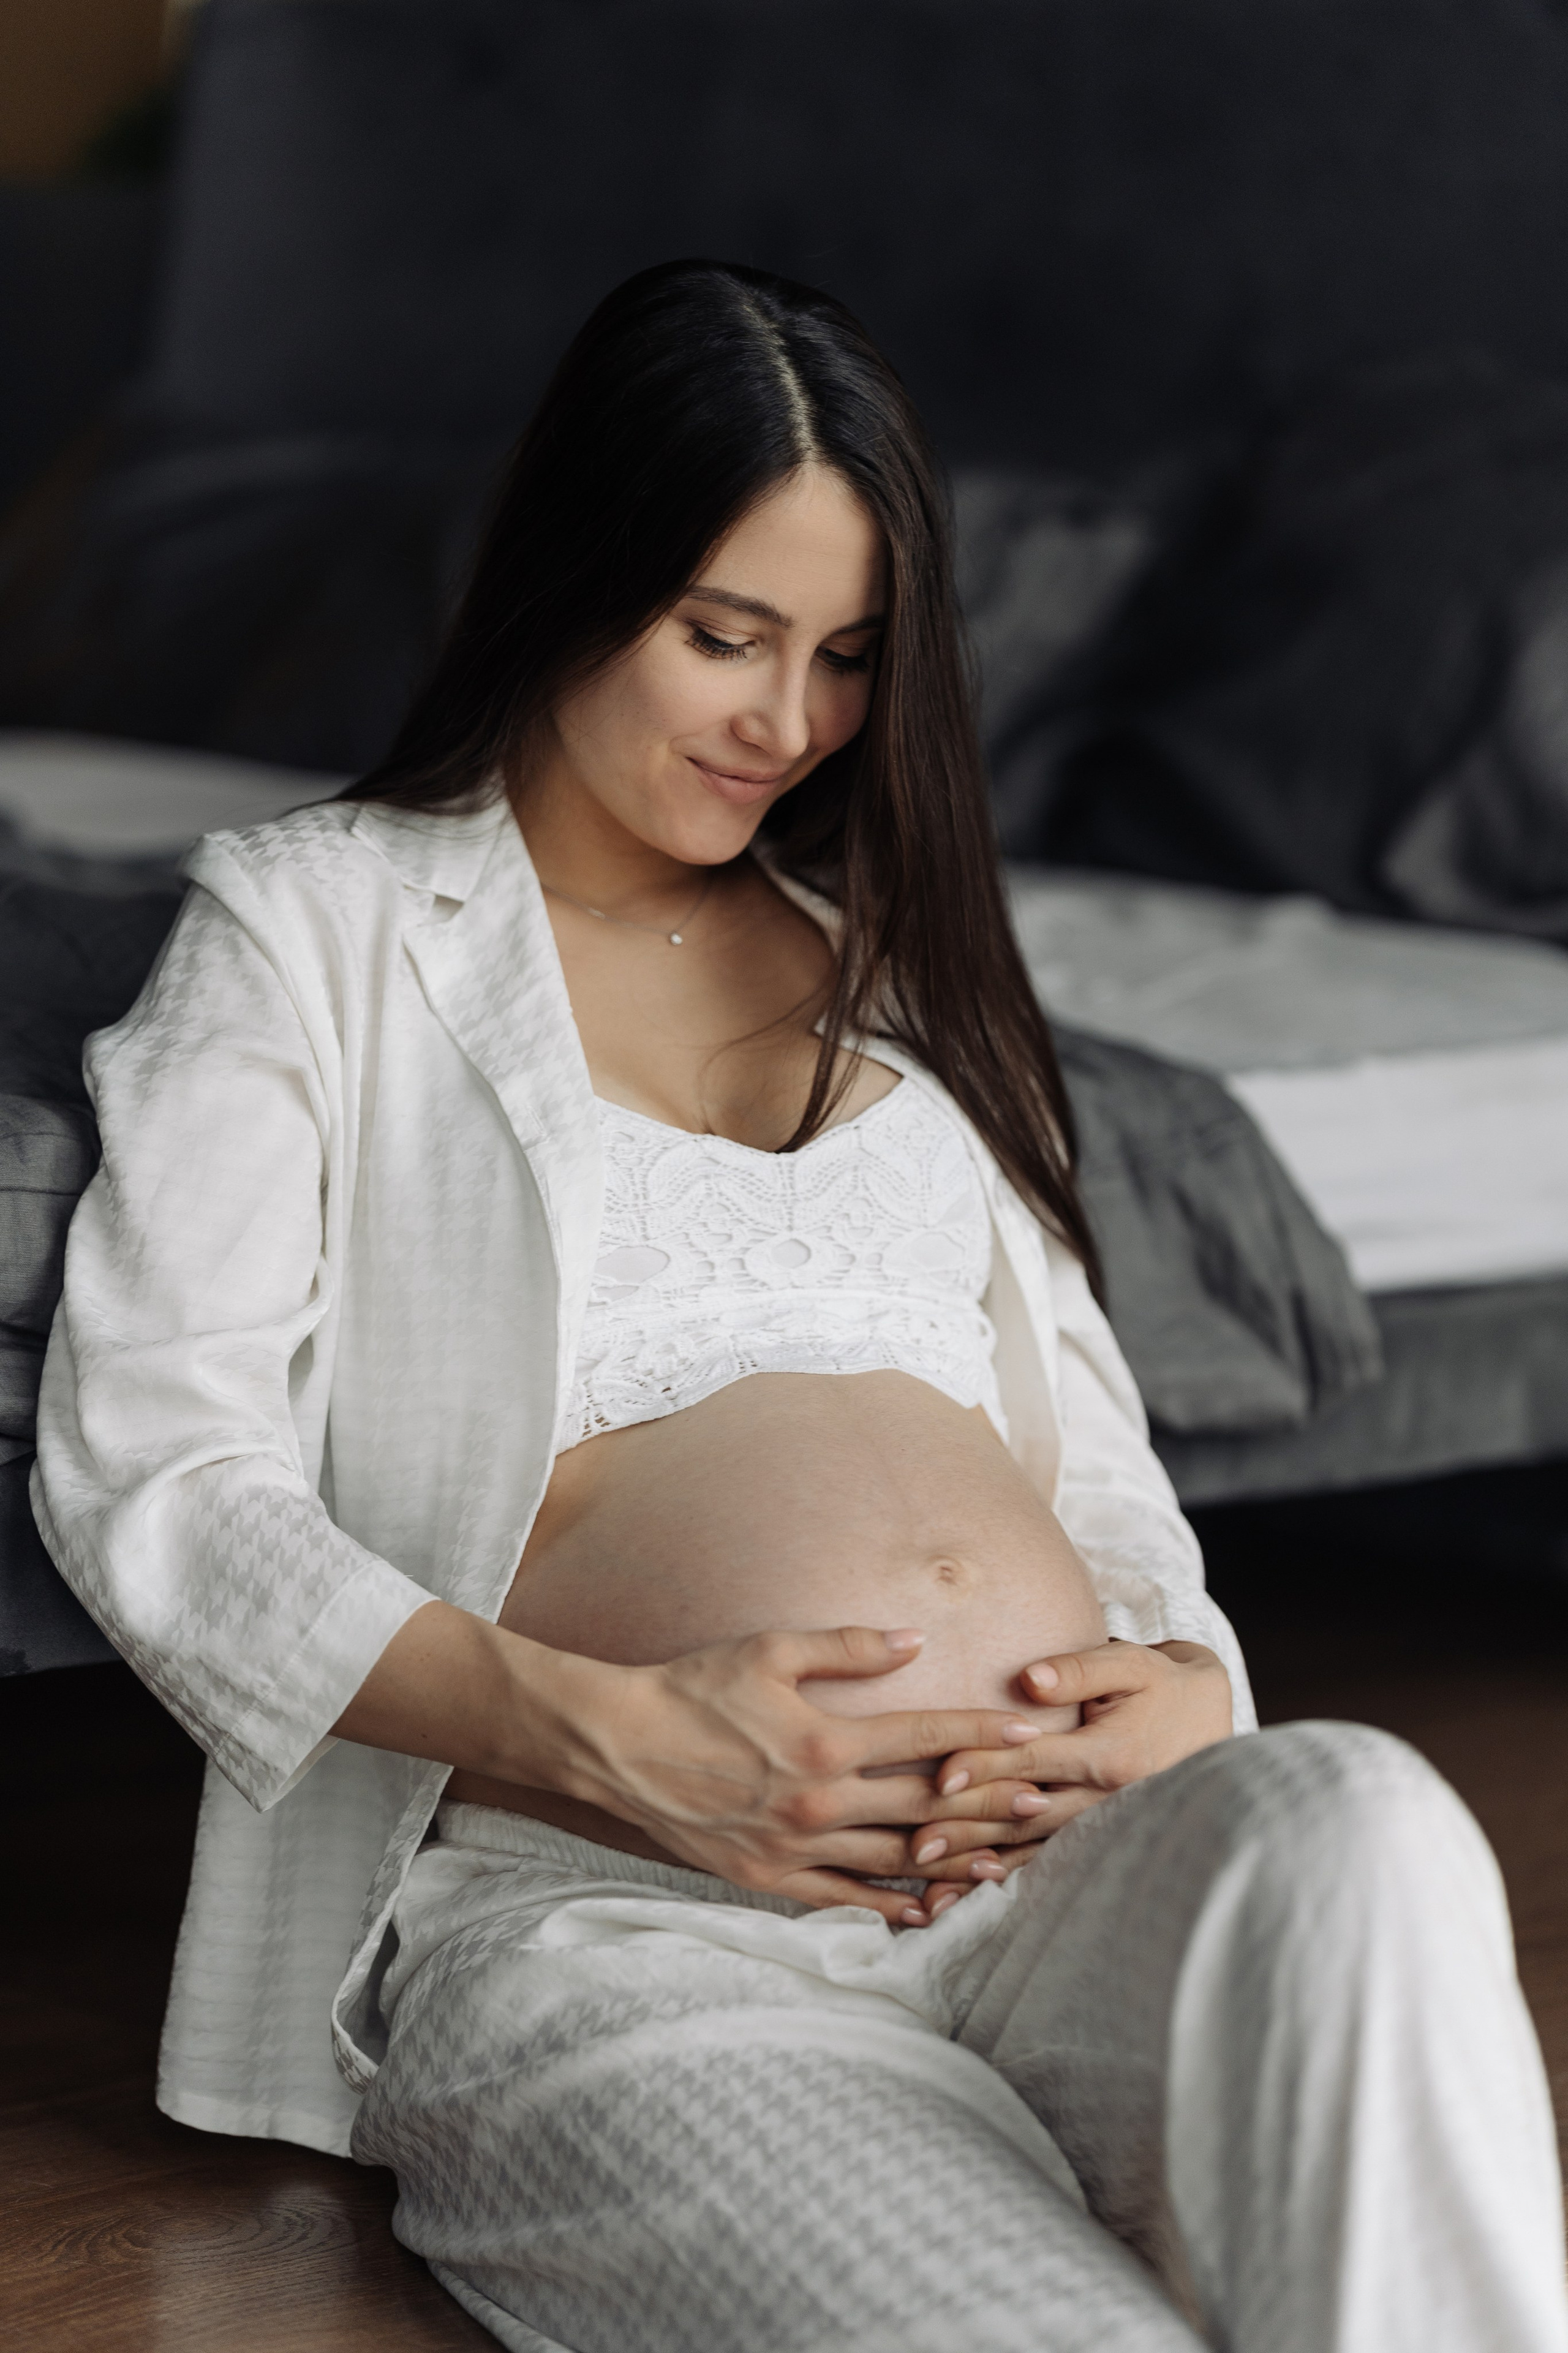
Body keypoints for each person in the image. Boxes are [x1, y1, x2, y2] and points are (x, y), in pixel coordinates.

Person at [33, 260, 1567, 2353]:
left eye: (848, 656)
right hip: (635, 1931)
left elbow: (1096, 1476)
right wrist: (615, 1734)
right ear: (572, 572)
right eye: (722, 636)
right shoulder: (318, 929)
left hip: (1061, 1885)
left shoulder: (900, 972)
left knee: (1366, 1808)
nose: (789, 723)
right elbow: (161, 1470)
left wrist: (1184, 1683)